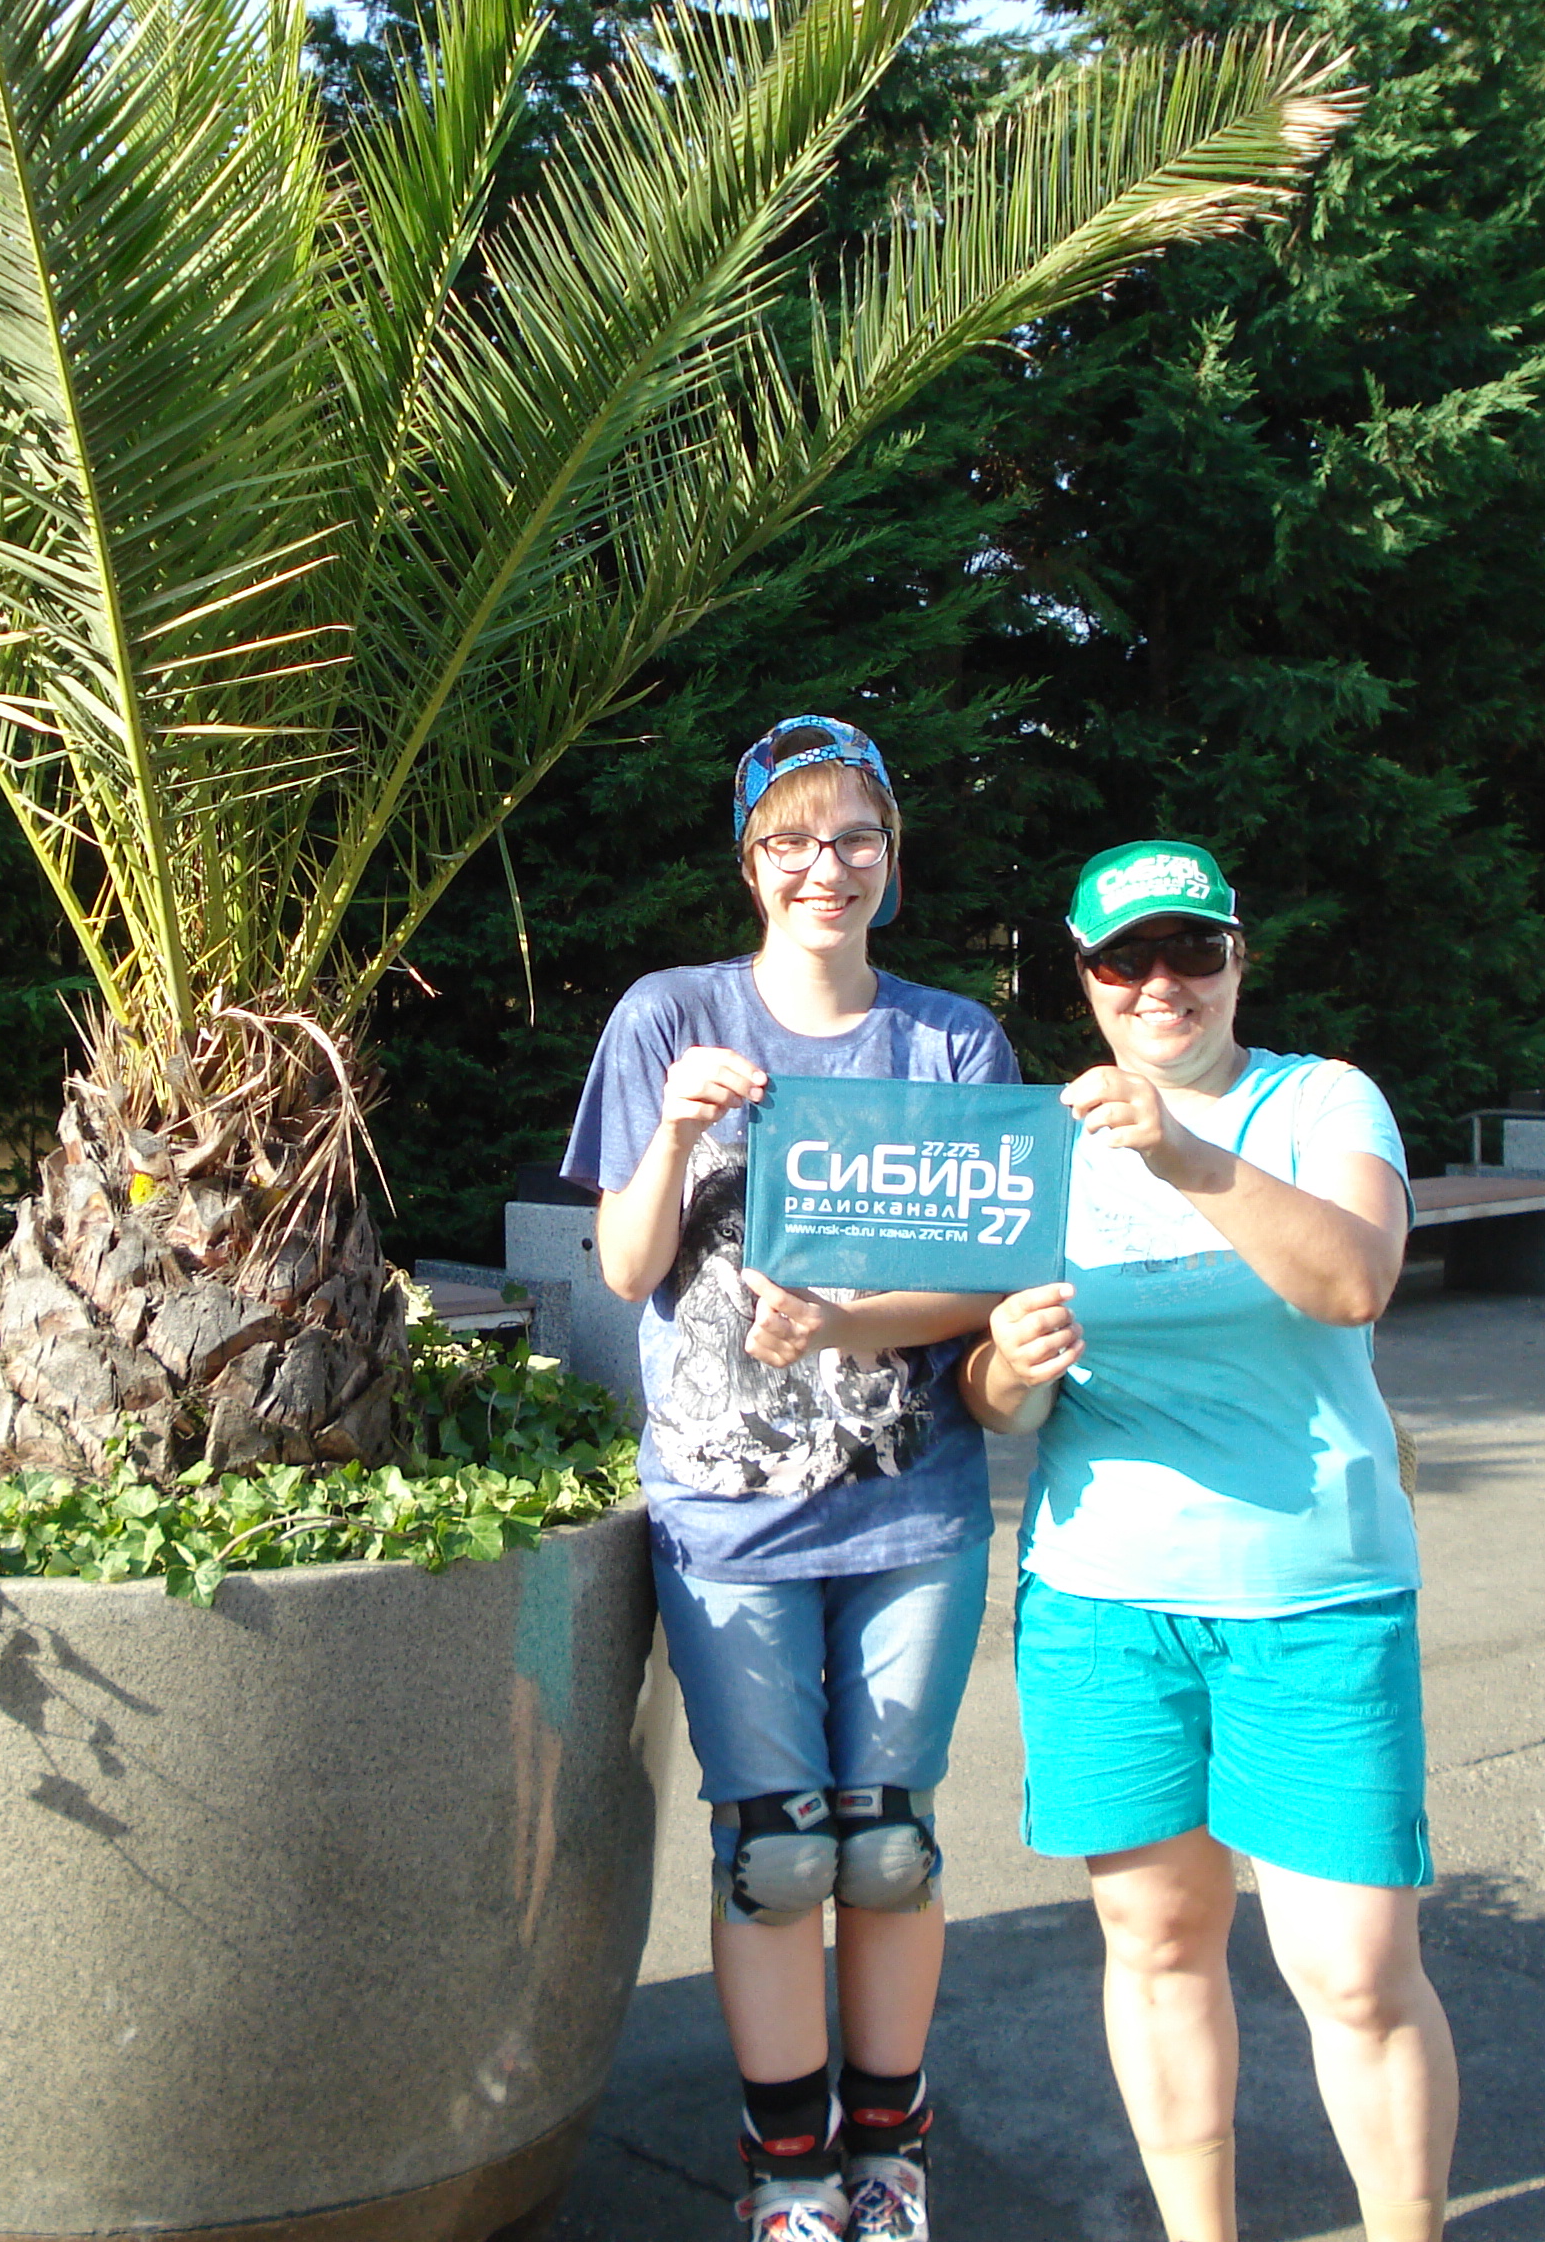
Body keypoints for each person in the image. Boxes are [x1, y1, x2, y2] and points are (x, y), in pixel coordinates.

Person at [958, 840, 1458, 2242]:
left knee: (1355, 1970)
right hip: (1102, 1603)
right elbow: (994, 1398)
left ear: (1240, 959)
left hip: (1316, 1601)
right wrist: (1012, 1365)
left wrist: (1179, 1151)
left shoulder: (1320, 1100)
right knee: (1159, 1944)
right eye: (1125, 959)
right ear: (1083, 978)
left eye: (1193, 950)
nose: (1160, 983)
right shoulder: (1040, 1144)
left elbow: (1354, 1279)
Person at [564, 716, 1012, 2242]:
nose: (827, 868)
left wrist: (844, 1324)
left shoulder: (948, 1041)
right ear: (750, 862)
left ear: (891, 857)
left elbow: (992, 1276)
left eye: (856, 839)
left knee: (884, 1846)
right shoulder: (668, 1016)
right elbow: (626, 1266)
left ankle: (890, 2156)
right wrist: (674, 1134)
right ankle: (787, 2177)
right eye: (793, 842)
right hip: (727, 1507)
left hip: (910, 1498)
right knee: (773, 1854)